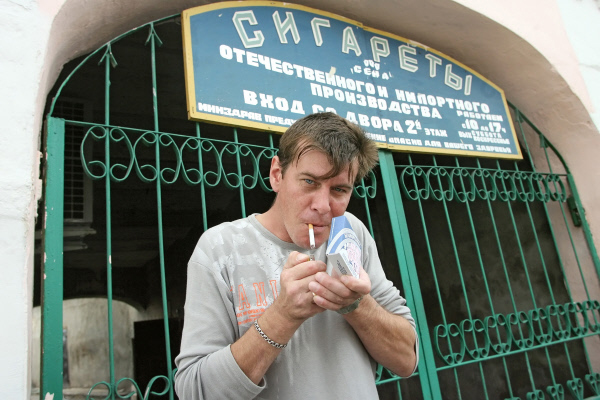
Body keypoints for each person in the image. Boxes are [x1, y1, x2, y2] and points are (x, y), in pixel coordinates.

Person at [174, 112, 418, 399]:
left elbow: (407, 360)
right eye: (310, 182)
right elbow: (194, 391)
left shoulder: (350, 232)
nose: (323, 206)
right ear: (277, 174)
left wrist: (356, 304)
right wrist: (282, 316)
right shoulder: (220, 248)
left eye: (339, 189)